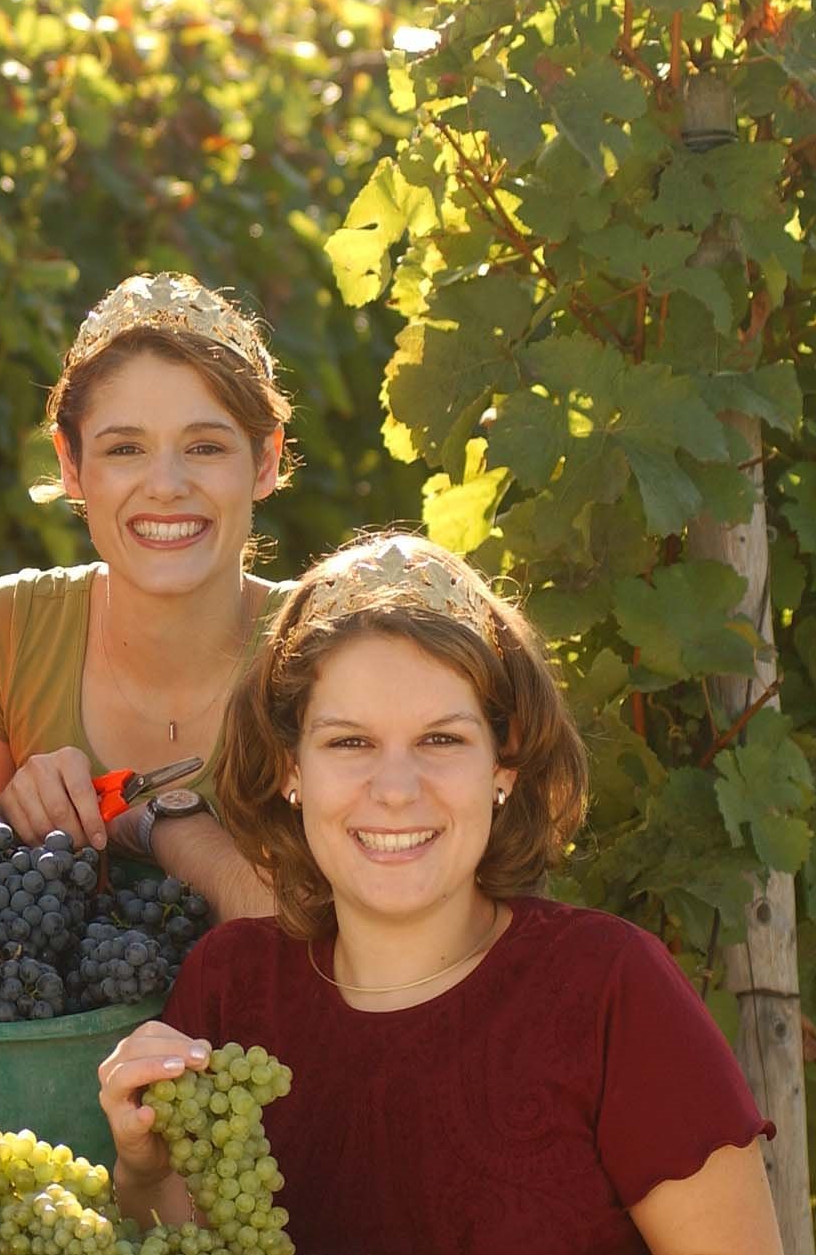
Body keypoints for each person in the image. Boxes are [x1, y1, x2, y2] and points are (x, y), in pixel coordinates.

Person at [95, 535, 780, 1255]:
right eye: (350, 742)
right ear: (290, 768)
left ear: (504, 764)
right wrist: (145, 1172)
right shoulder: (229, 987)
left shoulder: (611, 989)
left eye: (441, 740)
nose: (395, 790)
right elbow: (191, 1236)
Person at [0, 273, 290, 919]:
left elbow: (338, 925)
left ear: (265, 462)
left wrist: (164, 827)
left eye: (205, 446)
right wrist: (4, 818)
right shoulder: (3, 631)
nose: (165, 485)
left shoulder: (325, 646)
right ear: (71, 464)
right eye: (125, 448)